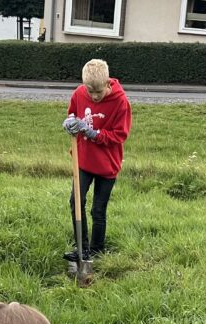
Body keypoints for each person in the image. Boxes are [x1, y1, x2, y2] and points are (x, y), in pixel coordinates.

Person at [61, 58, 132, 263]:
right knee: (76, 201)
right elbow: (72, 114)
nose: (93, 96)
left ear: (108, 84)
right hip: (83, 161)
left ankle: (97, 249)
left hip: (107, 165)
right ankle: (81, 248)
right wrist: (69, 123)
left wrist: (93, 133)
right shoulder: (79, 93)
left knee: (98, 209)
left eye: (98, 92)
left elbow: (120, 135)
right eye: (89, 91)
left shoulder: (121, 102)